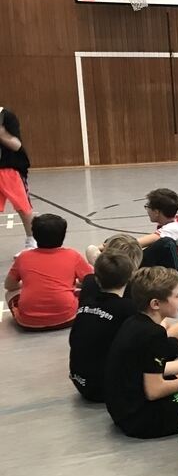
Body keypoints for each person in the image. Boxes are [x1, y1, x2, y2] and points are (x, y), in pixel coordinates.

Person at [103, 267, 178, 439]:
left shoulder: (133, 321)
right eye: (177, 296)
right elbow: (154, 391)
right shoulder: (154, 334)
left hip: (122, 410)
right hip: (142, 420)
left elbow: (143, 368)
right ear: (155, 304)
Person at [89, 188, 178, 284]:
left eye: (148, 207)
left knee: (163, 244)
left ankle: (117, 272)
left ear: (157, 212)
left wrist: (101, 248)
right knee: (122, 244)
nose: (147, 210)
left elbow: (137, 243)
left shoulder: (173, 228)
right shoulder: (173, 221)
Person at [69, 252, 137, 402]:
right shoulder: (127, 308)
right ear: (129, 278)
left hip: (79, 381)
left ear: (97, 279)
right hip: (106, 389)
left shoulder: (87, 302)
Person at [5, 214, 91, 330]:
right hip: (68, 318)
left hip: (28, 322)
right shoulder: (72, 255)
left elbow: (9, 286)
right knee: (83, 291)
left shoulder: (24, 257)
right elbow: (91, 281)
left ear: (35, 236)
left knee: (9, 294)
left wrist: (26, 284)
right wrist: (73, 284)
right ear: (63, 235)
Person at [0, 106, 34, 251]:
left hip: (10, 168)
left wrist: (1, 133)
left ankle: (32, 242)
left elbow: (16, 145)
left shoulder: (6, 116)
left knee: (23, 207)